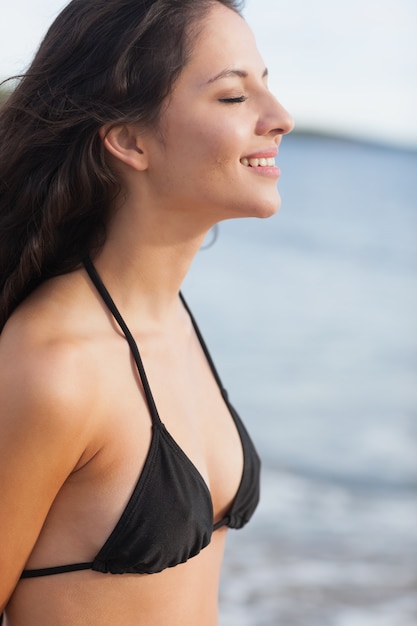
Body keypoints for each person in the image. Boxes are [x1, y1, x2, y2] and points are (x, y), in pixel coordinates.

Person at [0, 0, 294, 623]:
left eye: (266, 86)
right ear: (130, 140)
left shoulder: (173, 318)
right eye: (233, 97)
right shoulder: (54, 367)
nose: (281, 119)